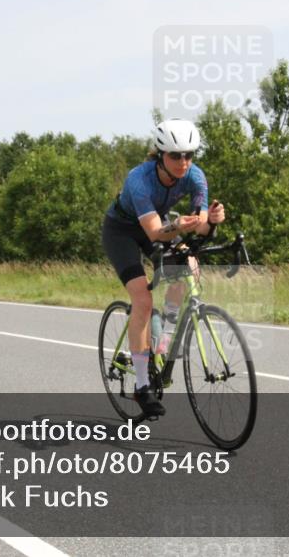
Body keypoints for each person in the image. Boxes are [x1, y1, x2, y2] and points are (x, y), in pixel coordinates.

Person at [102, 119, 225, 416]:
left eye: (189, 155)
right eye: (175, 155)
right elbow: (156, 232)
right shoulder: (139, 179)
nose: (183, 162)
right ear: (160, 155)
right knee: (143, 299)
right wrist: (179, 224)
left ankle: (164, 338)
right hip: (124, 232)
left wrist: (213, 222)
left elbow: (201, 225)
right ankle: (142, 385)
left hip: (160, 224)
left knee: (190, 265)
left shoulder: (196, 177)